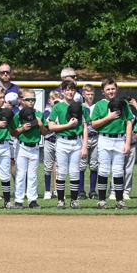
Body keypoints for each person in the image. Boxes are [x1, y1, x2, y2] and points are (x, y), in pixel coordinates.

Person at [90, 78, 133, 209]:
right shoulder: (99, 105)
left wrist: (127, 142)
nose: (111, 91)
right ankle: (102, 200)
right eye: (108, 89)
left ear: (117, 89)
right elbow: (94, 124)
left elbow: (129, 122)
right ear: (103, 92)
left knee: (118, 171)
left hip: (120, 139)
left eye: (113, 88)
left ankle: (119, 201)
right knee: (103, 170)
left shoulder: (123, 103)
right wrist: (109, 117)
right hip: (104, 138)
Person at [47, 81, 89, 209]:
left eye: (72, 90)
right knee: (62, 172)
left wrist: (84, 145)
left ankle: (74, 200)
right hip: (62, 141)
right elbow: (51, 126)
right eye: (67, 89)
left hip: (76, 141)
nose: (70, 92)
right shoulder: (58, 107)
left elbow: (85, 127)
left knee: (75, 172)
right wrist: (68, 126)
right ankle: (60, 200)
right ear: (63, 91)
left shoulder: (80, 107)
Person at [12, 89, 46, 209]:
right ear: (21, 100)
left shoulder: (39, 114)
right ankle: (18, 200)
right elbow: (13, 132)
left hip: (35, 147)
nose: (31, 102)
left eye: (33, 99)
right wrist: (22, 129)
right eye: (28, 99)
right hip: (22, 146)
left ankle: (32, 200)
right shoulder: (18, 115)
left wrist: (41, 124)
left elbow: (45, 133)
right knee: (20, 174)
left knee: (32, 175)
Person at [79, 84, 99, 199]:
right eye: (88, 94)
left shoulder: (97, 106)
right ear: (83, 95)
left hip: (96, 136)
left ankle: (92, 190)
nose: (90, 96)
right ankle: (81, 191)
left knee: (94, 165)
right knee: (81, 165)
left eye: (92, 94)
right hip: (83, 137)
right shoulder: (80, 106)